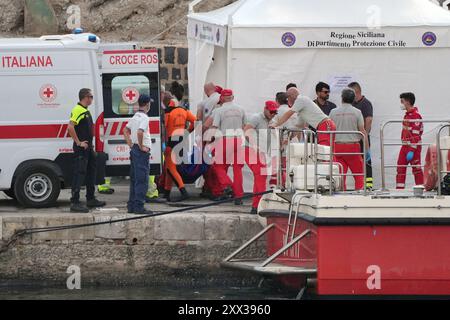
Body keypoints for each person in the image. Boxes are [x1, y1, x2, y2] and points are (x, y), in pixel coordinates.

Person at [68, 88, 106, 213]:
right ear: (85, 97)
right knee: (79, 174)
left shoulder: (85, 111)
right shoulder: (78, 109)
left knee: (91, 172)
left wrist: (91, 146)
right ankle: (74, 202)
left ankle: (90, 198)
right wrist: (78, 142)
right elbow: (70, 127)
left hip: (89, 148)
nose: (92, 99)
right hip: (81, 149)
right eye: (91, 96)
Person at [211, 89, 247, 205]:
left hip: (225, 139)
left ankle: (227, 185)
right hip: (239, 139)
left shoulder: (219, 110)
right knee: (237, 169)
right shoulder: (241, 109)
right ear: (233, 97)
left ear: (222, 98)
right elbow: (245, 125)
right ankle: (239, 196)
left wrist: (209, 141)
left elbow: (215, 127)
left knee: (218, 165)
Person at [329, 88, 369, 191]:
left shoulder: (333, 112)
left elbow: (329, 130)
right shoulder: (357, 112)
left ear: (342, 98)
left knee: (340, 176)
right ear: (353, 99)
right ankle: (359, 195)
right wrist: (367, 149)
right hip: (353, 147)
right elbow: (362, 131)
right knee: (359, 174)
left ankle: (341, 196)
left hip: (337, 147)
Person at [244, 101, 279, 214]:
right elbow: (247, 131)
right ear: (265, 109)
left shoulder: (273, 121)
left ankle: (256, 206)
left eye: (275, 112)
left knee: (260, 177)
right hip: (251, 150)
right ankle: (259, 205)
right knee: (261, 175)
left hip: (262, 152)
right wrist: (255, 145)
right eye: (271, 111)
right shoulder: (256, 118)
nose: (273, 114)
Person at [270, 87, 336, 146]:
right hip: (326, 125)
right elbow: (299, 126)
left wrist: (276, 124)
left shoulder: (301, 99)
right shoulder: (302, 109)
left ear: (291, 96)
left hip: (325, 125)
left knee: (325, 152)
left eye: (287, 98)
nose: (287, 101)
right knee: (327, 152)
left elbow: (289, 113)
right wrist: (289, 139)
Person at [123, 94, 153, 214]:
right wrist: (141, 146)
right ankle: (139, 207)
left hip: (134, 150)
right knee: (142, 180)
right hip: (140, 152)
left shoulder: (135, 116)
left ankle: (131, 205)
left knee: (134, 179)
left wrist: (131, 143)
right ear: (147, 104)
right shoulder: (145, 118)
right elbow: (140, 132)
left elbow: (125, 130)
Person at [163, 99, 197, 201]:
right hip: (182, 140)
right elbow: (196, 121)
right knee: (170, 167)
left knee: (170, 169)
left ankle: (183, 191)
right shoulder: (184, 111)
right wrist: (188, 131)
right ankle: (166, 193)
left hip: (171, 141)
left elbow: (164, 127)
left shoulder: (168, 112)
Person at [348, 82, 374, 190]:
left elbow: (368, 120)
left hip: (362, 138)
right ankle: (359, 185)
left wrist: (364, 136)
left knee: (366, 163)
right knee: (356, 163)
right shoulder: (352, 104)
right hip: (353, 139)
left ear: (355, 92)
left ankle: (368, 186)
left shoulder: (366, 103)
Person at [396, 92, 424, 189]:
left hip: (414, 148)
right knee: (400, 169)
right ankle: (399, 190)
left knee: (416, 169)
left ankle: (420, 190)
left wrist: (412, 150)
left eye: (402, 101)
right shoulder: (407, 115)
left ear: (407, 102)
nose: (401, 104)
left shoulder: (416, 116)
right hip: (404, 146)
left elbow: (416, 136)